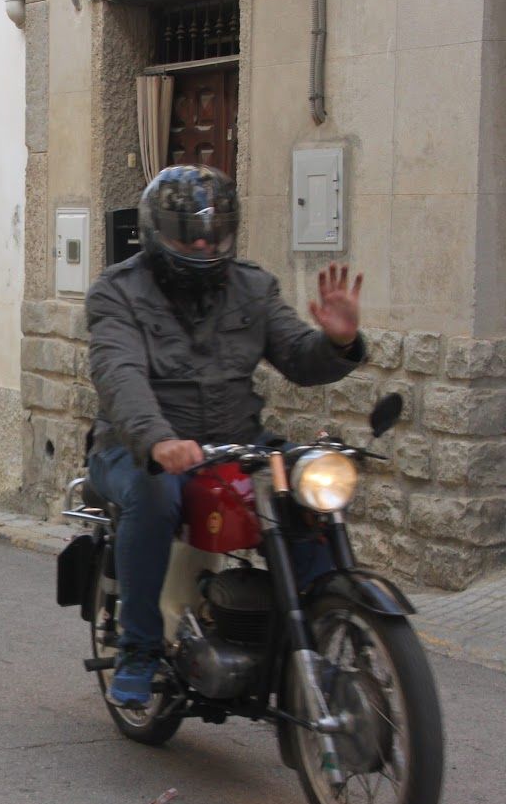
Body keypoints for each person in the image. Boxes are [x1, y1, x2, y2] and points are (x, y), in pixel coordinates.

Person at [85, 165, 365, 709]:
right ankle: (139, 648)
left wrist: (337, 342)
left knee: (308, 493)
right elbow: (119, 375)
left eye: (213, 233)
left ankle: (319, 633)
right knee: (153, 493)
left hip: (236, 442)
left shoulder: (253, 287)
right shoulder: (117, 292)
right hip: (133, 446)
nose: (202, 244)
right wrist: (157, 440)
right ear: (156, 231)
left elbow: (298, 358)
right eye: (188, 233)